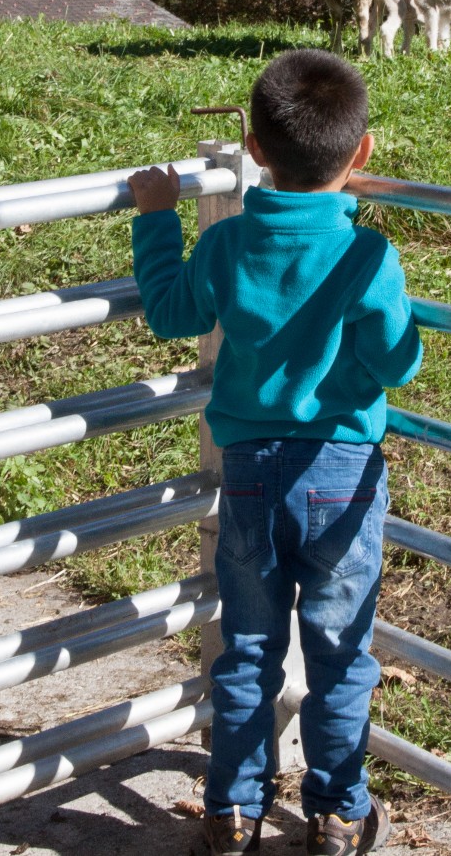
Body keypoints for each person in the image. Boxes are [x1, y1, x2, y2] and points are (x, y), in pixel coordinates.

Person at [129, 48, 422, 856]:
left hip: (253, 477)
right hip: (342, 478)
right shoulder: (368, 257)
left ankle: (231, 812)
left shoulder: (227, 250)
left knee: (249, 648)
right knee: (339, 649)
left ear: (253, 148)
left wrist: (156, 213)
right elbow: (398, 362)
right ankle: (336, 811)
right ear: (362, 154)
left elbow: (169, 310)